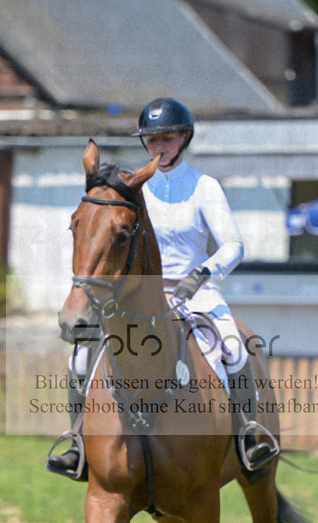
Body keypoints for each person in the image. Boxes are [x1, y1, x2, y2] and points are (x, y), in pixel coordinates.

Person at [47, 97, 277, 479]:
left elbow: (233, 245)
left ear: (184, 138)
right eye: (152, 140)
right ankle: (77, 443)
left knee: (234, 349)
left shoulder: (205, 187)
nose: (159, 147)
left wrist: (200, 274)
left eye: (167, 138)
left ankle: (249, 437)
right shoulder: (136, 189)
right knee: (80, 358)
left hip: (196, 288)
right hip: (138, 294)